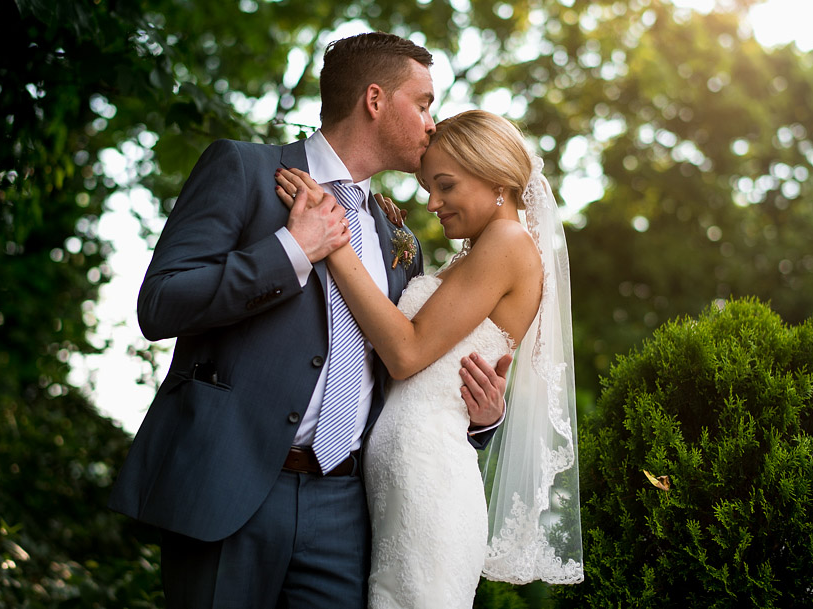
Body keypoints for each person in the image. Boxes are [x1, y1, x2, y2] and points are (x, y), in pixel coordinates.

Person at [107, 33, 512, 608]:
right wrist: (291, 250)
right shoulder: (245, 170)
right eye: (422, 103)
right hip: (231, 487)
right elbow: (160, 304)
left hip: (348, 511)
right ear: (375, 99)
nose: (432, 122)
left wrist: (480, 420)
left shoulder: (400, 238)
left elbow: (408, 364)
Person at [275, 109, 584, 609]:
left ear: (498, 182)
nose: (432, 202)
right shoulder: (475, 252)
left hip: (430, 480)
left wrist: (333, 243)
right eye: (427, 186)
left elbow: (406, 352)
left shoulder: (508, 242)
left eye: (445, 186)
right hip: (397, 478)